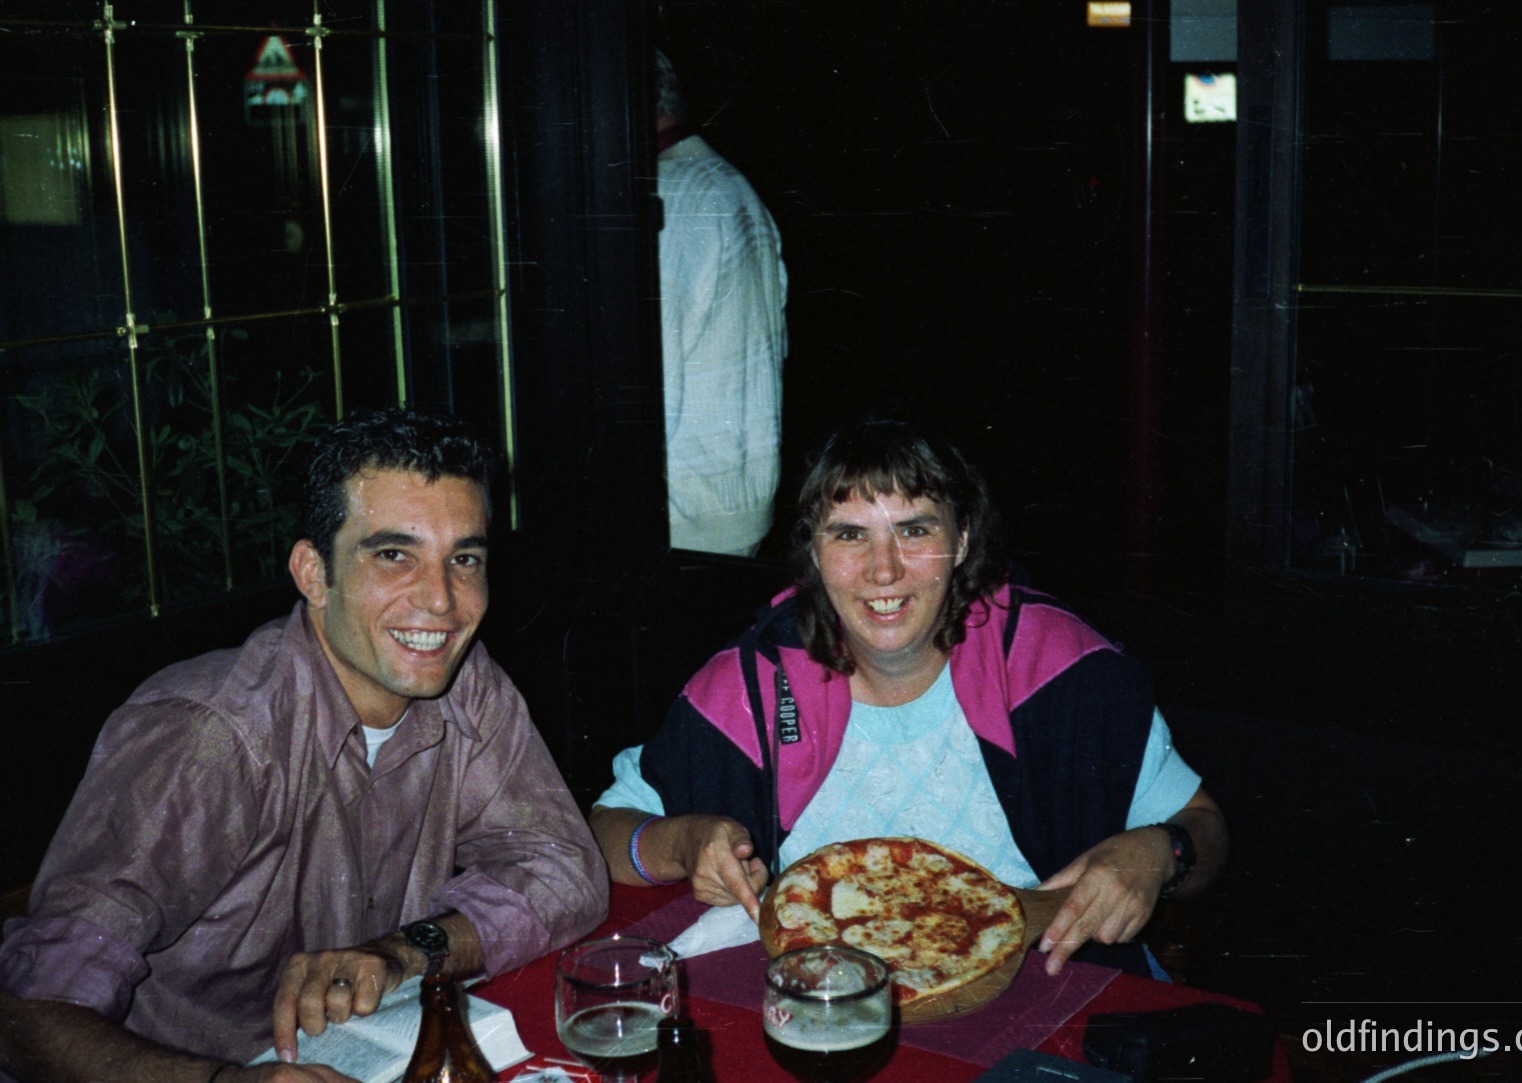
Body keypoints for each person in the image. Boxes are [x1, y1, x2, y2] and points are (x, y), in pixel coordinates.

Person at [0, 409, 609, 1082]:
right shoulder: (209, 736)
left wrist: (405, 950)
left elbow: (563, 870)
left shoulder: (468, 685)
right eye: (393, 555)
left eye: (463, 559)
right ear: (313, 573)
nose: (441, 600)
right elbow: (28, 1011)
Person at [591, 418, 1227, 977]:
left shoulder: (1057, 666)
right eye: (849, 535)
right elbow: (606, 832)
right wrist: (687, 842)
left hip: (1042, 991)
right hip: (827, 1006)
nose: (884, 570)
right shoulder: (752, 683)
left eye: (915, 530)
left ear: (963, 539)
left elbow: (1206, 829)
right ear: (813, 551)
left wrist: (1159, 853)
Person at [655, 50, 789, 556]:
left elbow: (649, 377)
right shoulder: (729, 182)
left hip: (683, 517)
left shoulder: (669, 195)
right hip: (740, 503)